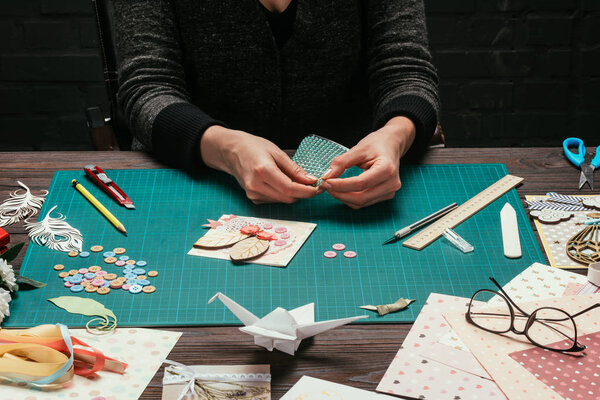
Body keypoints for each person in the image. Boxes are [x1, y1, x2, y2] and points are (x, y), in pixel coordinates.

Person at [114, 0, 439, 209]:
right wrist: (226, 148)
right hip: (195, 180)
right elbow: (147, 87)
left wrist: (395, 136)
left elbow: (406, 69)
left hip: (353, 188)